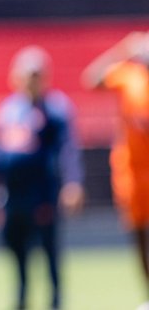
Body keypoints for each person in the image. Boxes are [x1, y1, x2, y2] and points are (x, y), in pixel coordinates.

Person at [0, 45, 84, 310]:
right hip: (13, 197)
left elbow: (68, 149)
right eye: (28, 74)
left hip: (42, 194)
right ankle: (21, 300)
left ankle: (55, 300)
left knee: (49, 251)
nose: (32, 79)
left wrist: (73, 181)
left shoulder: (55, 109)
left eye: (37, 74)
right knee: (16, 251)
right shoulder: (9, 109)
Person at [82, 31, 149, 310]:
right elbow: (91, 79)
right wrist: (122, 50)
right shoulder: (129, 73)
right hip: (132, 171)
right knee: (139, 235)